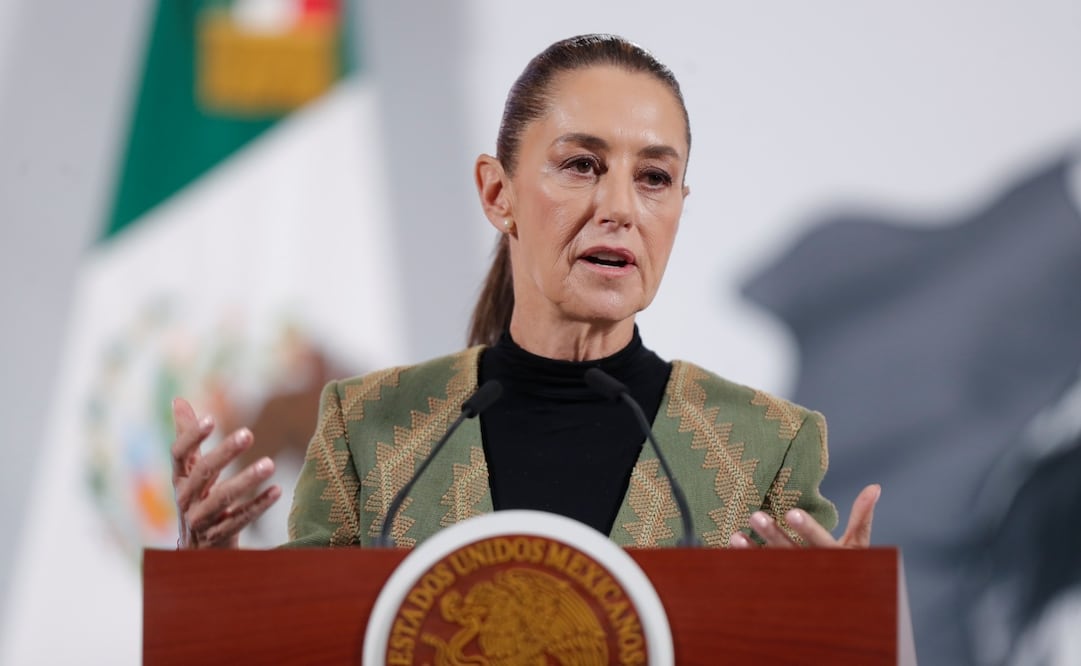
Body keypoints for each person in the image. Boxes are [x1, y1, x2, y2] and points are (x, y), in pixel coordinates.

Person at [171, 34, 879, 551]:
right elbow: (300, 646)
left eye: (654, 178)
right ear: (497, 193)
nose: (620, 207)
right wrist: (215, 581)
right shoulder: (368, 429)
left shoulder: (765, 446)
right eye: (581, 165)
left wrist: (843, 637)